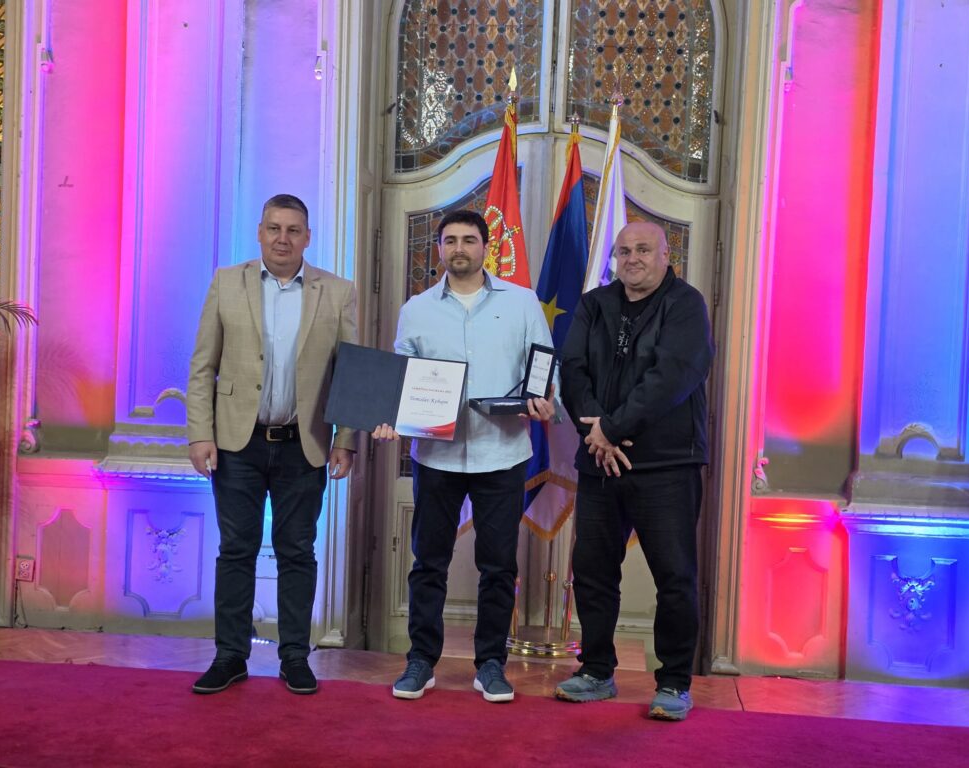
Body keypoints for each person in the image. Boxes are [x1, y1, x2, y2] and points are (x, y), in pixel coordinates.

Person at [372, 209, 556, 703]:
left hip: (503, 453)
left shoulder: (521, 302)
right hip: (437, 456)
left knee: (498, 566)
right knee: (429, 562)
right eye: (450, 240)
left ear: (485, 247)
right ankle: (421, 660)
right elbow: (401, 378)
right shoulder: (417, 309)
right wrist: (389, 414)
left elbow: (544, 366)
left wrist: (544, 397)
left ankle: (491, 664)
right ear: (439, 248)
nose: (459, 248)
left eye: (469, 240)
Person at [186, 193, 357, 696]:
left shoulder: (337, 292)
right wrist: (200, 433)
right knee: (236, 550)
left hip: (304, 444)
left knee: (297, 552)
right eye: (274, 228)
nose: (283, 238)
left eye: (293, 230)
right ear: (260, 233)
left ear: (307, 237)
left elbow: (349, 372)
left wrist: (346, 439)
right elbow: (203, 366)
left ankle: (295, 657)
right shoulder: (226, 282)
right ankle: (230, 656)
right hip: (236, 443)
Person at [553, 221, 713, 721]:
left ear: (666, 255)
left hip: (667, 465)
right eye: (623, 251)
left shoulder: (685, 304)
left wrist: (611, 429)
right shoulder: (593, 305)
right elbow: (572, 371)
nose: (633, 259)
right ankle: (596, 671)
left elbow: (672, 377)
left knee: (675, 577)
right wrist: (597, 433)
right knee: (593, 573)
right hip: (599, 463)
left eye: (644, 249)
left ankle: (674, 683)